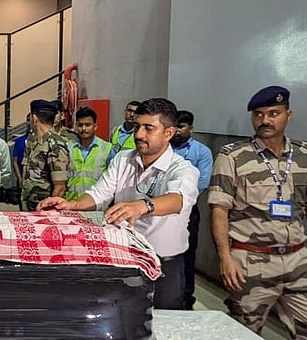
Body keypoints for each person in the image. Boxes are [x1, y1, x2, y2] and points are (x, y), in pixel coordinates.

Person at [208, 86, 307, 340]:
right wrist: (225, 257)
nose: (265, 120)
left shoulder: (306, 155)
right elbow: (219, 209)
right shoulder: (233, 156)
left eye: (273, 113)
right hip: (251, 260)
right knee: (244, 336)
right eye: (259, 114)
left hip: (298, 259)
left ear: (288, 115)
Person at [38, 98, 199, 309]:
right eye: (137, 126)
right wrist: (73, 205)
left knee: (162, 321)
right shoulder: (124, 159)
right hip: (124, 258)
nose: (139, 134)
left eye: (148, 128)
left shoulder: (182, 169)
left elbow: (178, 199)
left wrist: (142, 206)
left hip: (163, 264)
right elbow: (100, 192)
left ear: (168, 133)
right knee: (121, 317)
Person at [170, 110, 213, 310]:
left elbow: (201, 183)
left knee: (187, 255)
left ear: (191, 128)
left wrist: (177, 198)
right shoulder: (164, 148)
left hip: (188, 210)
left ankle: (186, 298)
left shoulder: (202, 152)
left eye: (181, 126)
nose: (177, 131)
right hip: (159, 209)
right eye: (175, 126)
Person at [21, 100, 70, 211]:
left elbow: (60, 187)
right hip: (30, 203)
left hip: (44, 208)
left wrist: (49, 210)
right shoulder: (34, 140)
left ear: (34, 118)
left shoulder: (55, 144)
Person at [65, 106, 115, 200]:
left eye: (88, 125)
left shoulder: (107, 149)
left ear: (95, 126)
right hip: (70, 202)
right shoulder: (68, 147)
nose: (83, 128)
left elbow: (113, 180)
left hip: (96, 203)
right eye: (80, 125)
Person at [11, 113, 32, 190]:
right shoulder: (19, 141)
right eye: (28, 120)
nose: (30, 122)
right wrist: (20, 179)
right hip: (22, 179)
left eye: (32, 120)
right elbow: (15, 161)